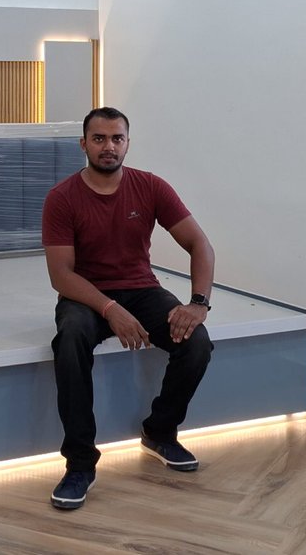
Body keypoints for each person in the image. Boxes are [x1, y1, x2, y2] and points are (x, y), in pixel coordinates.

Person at [41, 106, 216, 510]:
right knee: (70, 339)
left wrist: (198, 303)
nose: (109, 146)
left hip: (142, 289)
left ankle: (160, 432)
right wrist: (109, 308)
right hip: (85, 295)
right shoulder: (62, 198)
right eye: (99, 138)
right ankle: (80, 464)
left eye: (116, 138)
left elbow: (200, 244)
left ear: (127, 144)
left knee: (197, 343)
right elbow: (61, 275)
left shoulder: (150, 186)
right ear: (83, 144)